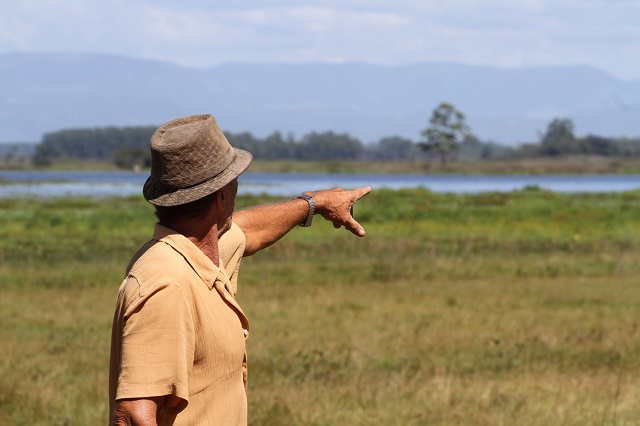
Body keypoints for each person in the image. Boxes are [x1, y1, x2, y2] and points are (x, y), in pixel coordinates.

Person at [109, 114, 370, 425]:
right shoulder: (168, 284)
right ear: (221, 196)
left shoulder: (201, 252)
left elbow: (249, 229)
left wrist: (315, 203)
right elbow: (133, 415)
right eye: (235, 180)